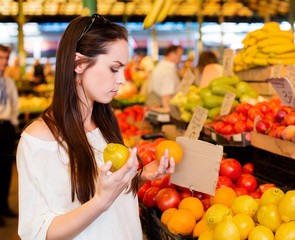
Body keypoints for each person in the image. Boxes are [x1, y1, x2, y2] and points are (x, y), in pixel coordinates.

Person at [16, 14, 175, 239]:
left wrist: (140, 176)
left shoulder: (103, 123)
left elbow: (111, 193)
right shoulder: (40, 139)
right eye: (114, 68)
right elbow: (38, 232)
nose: (122, 79)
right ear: (78, 64)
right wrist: (100, 202)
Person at [0, 44, 19, 227]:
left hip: (6, 128)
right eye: (1, 58)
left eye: (6, 58)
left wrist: (12, 123)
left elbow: (14, 104)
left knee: (6, 170)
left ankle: (4, 205)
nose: (4, 62)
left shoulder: (8, 81)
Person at [147, 45, 184, 111]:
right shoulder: (169, 71)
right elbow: (166, 97)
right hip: (162, 108)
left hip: (155, 106)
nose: (180, 60)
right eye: (179, 56)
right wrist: (171, 114)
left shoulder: (159, 67)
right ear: (171, 54)